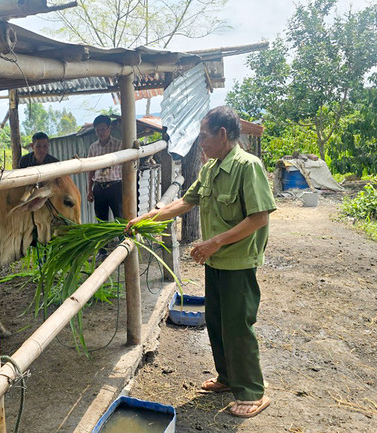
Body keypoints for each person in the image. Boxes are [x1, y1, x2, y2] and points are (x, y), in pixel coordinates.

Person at [127, 106, 275, 418]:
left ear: (223, 135)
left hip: (237, 260)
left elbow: (259, 217)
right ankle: (227, 377)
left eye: (205, 136)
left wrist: (215, 241)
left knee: (238, 325)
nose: (201, 142)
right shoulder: (209, 170)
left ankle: (252, 391)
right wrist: (147, 218)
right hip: (215, 261)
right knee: (218, 321)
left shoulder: (249, 167)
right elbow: (184, 202)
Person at [87, 115, 124, 260]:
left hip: (115, 186)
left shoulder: (119, 145)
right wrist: (89, 190)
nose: (101, 132)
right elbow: (90, 170)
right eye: (98, 129)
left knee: (120, 218)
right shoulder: (93, 148)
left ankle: (123, 249)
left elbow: (127, 168)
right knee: (101, 221)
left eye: (103, 129)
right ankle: (102, 252)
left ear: (110, 129)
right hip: (99, 188)